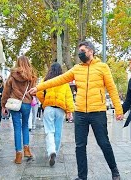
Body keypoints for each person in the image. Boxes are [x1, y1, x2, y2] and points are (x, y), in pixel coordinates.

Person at [29, 41, 123, 180]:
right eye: (79, 51)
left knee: (104, 143)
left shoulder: (103, 67)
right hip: (80, 113)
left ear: (91, 51)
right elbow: (58, 80)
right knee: (80, 146)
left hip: (98, 112)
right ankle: (82, 176)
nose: (80, 53)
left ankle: (115, 172)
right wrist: (39, 87)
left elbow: (112, 88)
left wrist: (118, 109)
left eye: (83, 50)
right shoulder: (76, 69)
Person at [36, 62, 74, 167]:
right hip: (60, 109)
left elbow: (38, 92)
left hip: (49, 108)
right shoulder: (64, 82)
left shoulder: (46, 80)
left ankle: (51, 151)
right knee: (58, 132)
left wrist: (44, 102)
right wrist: (69, 111)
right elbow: (69, 97)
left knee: (49, 131)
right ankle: (55, 153)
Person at [1, 56, 38, 164]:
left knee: (17, 127)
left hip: (14, 103)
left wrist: (3, 105)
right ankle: (27, 150)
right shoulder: (32, 76)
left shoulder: (12, 76)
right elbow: (33, 92)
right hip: (26, 103)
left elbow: (6, 91)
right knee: (25, 126)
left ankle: (18, 155)